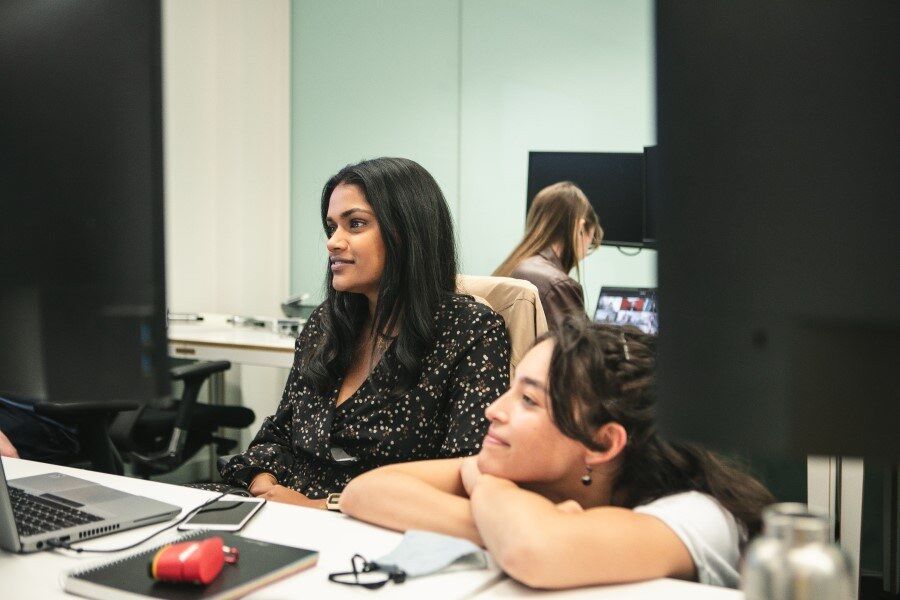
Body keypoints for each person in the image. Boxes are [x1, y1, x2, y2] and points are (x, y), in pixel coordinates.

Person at [341, 317, 773, 589]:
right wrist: (501, 525)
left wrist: (491, 490)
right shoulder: (533, 475)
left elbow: (534, 551)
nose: (494, 409)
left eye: (529, 400)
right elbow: (364, 491)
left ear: (602, 443)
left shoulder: (700, 517)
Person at [220, 157, 511, 508]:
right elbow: (278, 433)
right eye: (332, 227)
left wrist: (315, 507)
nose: (333, 242)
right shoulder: (327, 323)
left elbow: (468, 473)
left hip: (372, 530)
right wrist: (262, 482)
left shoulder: (469, 331)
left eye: (355, 224)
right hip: (276, 510)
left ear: (406, 233)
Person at [493, 182, 602, 332]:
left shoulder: (511, 267)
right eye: (591, 241)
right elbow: (578, 352)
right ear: (580, 228)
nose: (587, 249)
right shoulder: (557, 285)